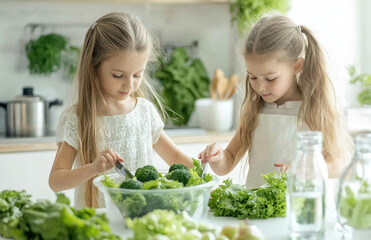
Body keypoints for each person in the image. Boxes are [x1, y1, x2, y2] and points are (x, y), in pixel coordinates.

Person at [49, 12, 192, 209]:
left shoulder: (145, 112)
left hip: (139, 222)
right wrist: (93, 168)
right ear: (94, 66)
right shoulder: (77, 118)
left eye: (137, 74)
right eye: (118, 75)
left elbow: (176, 159)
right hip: (97, 225)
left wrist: (205, 170)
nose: (129, 84)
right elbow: (56, 181)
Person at [198, 15, 354, 189]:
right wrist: (218, 156)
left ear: (296, 66)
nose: (261, 86)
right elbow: (229, 160)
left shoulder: (315, 109)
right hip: (258, 213)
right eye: (253, 77)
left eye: (270, 78)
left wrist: (305, 167)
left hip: (300, 210)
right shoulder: (255, 110)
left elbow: (338, 165)